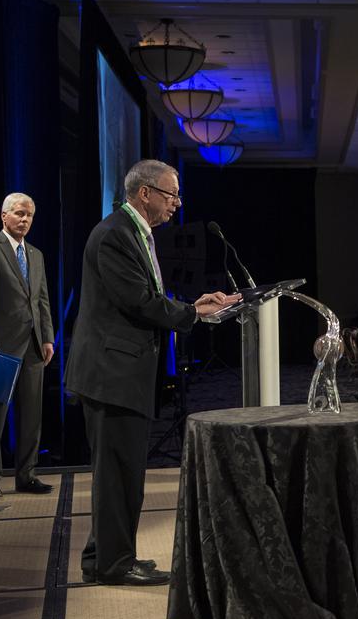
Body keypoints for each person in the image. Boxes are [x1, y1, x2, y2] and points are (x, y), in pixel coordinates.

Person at [65, 160, 238, 586]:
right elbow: (139, 302)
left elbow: (146, 297)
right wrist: (194, 312)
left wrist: (191, 306)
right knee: (118, 476)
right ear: (145, 193)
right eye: (171, 194)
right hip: (112, 374)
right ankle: (115, 564)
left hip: (120, 373)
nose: (177, 204)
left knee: (118, 474)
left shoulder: (133, 234)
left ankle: (101, 557)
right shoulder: (114, 236)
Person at [0, 192, 55, 499]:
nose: (25, 219)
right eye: (19, 213)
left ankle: (26, 475)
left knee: (31, 416)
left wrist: (48, 337)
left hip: (34, 347)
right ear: (4, 216)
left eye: (29, 215)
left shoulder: (35, 254)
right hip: (0, 347)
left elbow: (42, 300)